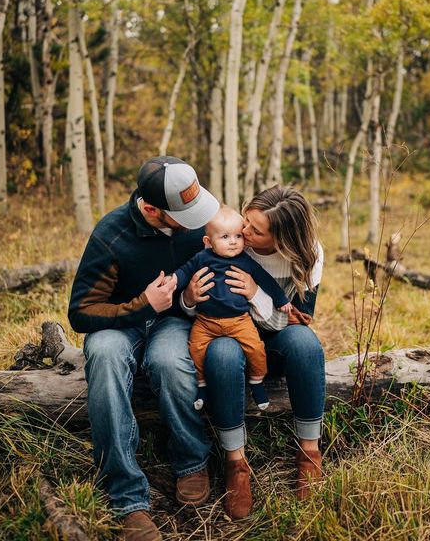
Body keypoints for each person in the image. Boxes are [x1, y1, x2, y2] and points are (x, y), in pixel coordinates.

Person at [68, 155, 220, 541]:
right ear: (152, 209)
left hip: (176, 319)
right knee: (103, 355)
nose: (194, 219)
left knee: (170, 360)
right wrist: (141, 306)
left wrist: (188, 297)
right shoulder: (112, 234)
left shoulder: (197, 220)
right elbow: (82, 312)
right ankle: (125, 498)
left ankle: (191, 460)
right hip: (121, 322)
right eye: (182, 213)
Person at [181, 185, 325, 520]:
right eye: (246, 220)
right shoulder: (224, 238)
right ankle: (236, 463)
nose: (242, 232)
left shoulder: (309, 255)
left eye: (255, 231)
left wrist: (257, 293)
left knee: (305, 344)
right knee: (223, 355)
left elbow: (298, 321)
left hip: (272, 341)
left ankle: (309, 453)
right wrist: (190, 296)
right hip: (223, 335)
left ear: (282, 240)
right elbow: (192, 305)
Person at [173, 205, 291, 411]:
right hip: (205, 321)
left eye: (238, 235)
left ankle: (257, 382)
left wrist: (281, 299)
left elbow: (265, 280)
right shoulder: (202, 258)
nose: (234, 241)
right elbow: (185, 271)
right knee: (196, 350)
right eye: (225, 237)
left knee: (255, 348)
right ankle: (201, 386)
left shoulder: (245, 260)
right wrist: (173, 280)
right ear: (208, 242)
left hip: (239, 320)